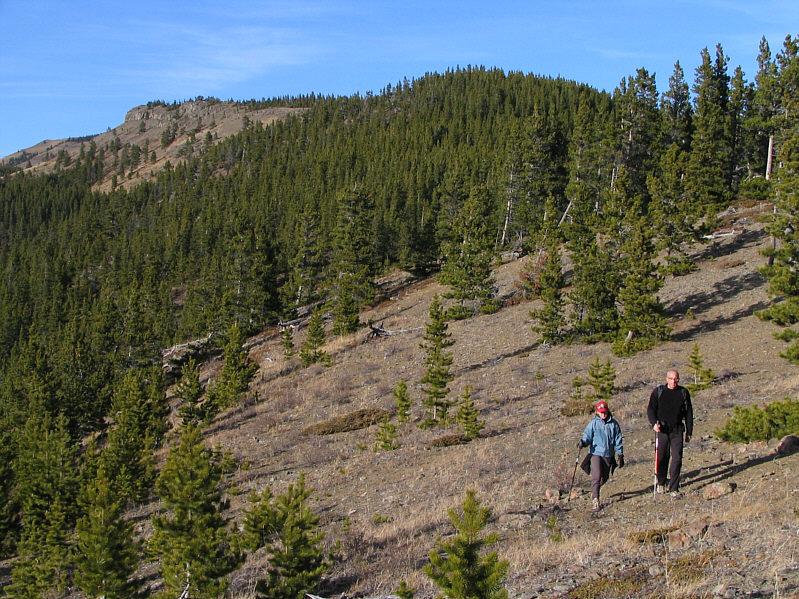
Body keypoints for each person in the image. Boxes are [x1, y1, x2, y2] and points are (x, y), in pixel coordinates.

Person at [647, 369, 693, 498]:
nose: (674, 382)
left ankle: (674, 488)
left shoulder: (683, 392)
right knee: (662, 457)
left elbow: (689, 412)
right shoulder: (659, 392)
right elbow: (651, 409)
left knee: (677, 458)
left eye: (676, 379)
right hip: (662, 430)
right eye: (671, 379)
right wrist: (653, 423)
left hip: (677, 430)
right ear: (667, 379)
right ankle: (661, 482)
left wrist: (689, 431)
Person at [578, 400, 624, 511]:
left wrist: (620, 454)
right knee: (596, 476)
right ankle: (595, 500)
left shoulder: (614, 424)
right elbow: (587, 436)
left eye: (604, 412)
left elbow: (618, 440)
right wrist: (583, 442)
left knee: (604, 477)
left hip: (608, 455)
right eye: (601, 412)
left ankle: (595, 491)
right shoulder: (593, 424)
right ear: (597, 412)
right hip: (595, 453)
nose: (603, 414)